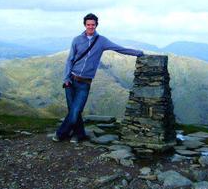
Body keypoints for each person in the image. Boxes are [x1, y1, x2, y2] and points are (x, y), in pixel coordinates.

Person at [53, 13, 144, 143]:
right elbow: (70, 60)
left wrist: (138, 53)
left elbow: (119, 49)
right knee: (74, 111)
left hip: (84, 83)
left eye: (93, 25)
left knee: (75, 111)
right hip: (71, 80)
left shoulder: (102, 41)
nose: (91, 27)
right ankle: (79, 134)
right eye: (88, 24)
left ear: (96, 25)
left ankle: (60, 134)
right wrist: (66, 79)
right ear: (85, 25)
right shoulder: (77, 40)